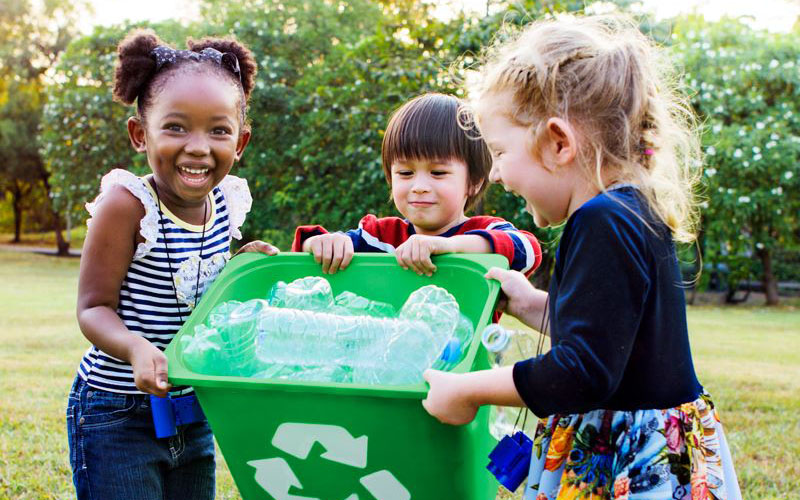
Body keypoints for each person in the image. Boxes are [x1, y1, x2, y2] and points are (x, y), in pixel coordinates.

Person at [421, 16, 741, 500]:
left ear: (558, 143)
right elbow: (613, 336)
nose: (500, 176)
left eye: (502, 153)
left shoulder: (601, 220)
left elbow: (583, 371)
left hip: (626, 462)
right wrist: (532, 304)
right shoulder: (632, 207)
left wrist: (467, 389)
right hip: (655, 445)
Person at [66, 29, 276, 499]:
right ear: (141, 135)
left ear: (240, 142)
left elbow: (198, 291)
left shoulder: (226, 202)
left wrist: (241, 269)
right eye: (176, 127)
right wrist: (136, 348)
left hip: (191, 408)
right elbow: (92, 307)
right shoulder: (127, 206)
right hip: (118, 413)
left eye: (218, 130)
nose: (198, 146)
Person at [292, 93, 542, 280]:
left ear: (474, 182)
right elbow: (307, 249)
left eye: (438, 172)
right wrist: (322, 244)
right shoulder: (381, 238)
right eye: (405, 173)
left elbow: (528, 250)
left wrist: (449, 246)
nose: (419, 186)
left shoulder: (484, 231)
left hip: (468, 351)